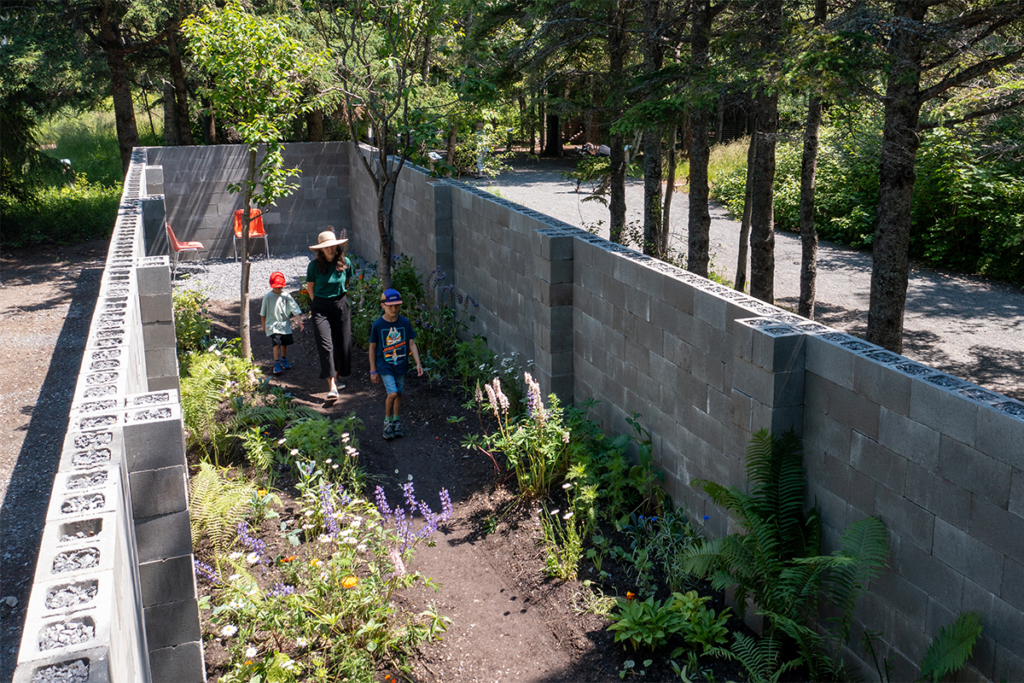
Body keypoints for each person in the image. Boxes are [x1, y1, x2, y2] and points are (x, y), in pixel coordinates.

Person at [369, 288, 423, 440]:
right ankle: (387, 421)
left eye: (397, 305)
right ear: (383, 305)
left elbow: (411, 343)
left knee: (399, 393)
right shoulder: (378, 325)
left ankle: (396, 421)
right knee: (392, 393)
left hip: (401, 364)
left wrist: (418, 363)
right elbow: (372, 347)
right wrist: (373, 370)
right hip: (385, 365)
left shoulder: (404, 322)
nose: (394, 309)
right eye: (390, 305)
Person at [306, 228, 353, 404]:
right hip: (320, 307)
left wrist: (339, 298)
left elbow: (347, 282)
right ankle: (332, 385)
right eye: (326, 248)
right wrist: (316, 303)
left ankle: (337, 376)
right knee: (326, 344)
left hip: (340, 304)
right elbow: (310, 287)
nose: (330, 249)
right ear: (321, 250)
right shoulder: (314, 266)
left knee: (342, 343)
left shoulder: (346, 261)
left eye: (332, 246)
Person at [260, 271, 304, 375]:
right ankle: (276, 363)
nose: (279, 289)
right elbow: (263, 313)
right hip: (273, 325)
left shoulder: (286, 296)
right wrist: (264, 326)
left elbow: (294, 308)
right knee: (277, 344)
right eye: (277, 287)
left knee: (285, 343)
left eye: (280, 287)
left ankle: (284, 359)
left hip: (285, 325)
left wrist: (300, 321)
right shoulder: (268, 297)